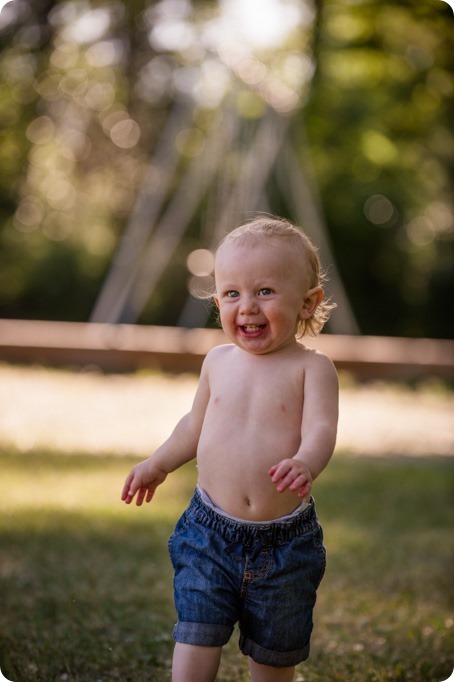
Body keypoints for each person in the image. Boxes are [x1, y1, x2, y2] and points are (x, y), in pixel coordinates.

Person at [121, 216, 339, 682]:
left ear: (308, 303)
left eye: (265, 292)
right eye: (232, 293)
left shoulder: (312, 369)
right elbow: (193, 425)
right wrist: (158, 463)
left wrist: (306, 461)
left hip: (285, 544)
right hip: (208, 533)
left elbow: (321, 428)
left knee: (274, 652)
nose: (247, 308)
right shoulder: (217, 361)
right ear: (217, 299)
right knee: (197, 632)